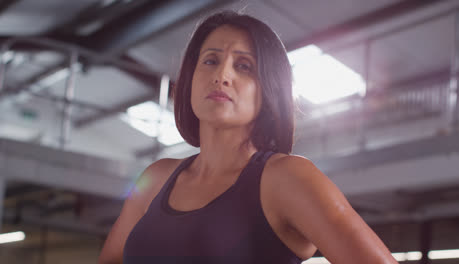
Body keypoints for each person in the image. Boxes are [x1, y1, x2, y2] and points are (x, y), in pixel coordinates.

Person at [98, 11, 398, 264]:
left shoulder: (287, 178)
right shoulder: (156, 178)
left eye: (244, 66)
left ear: (269, 90)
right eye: (211, 61)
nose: (222, 75)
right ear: (191, 79)